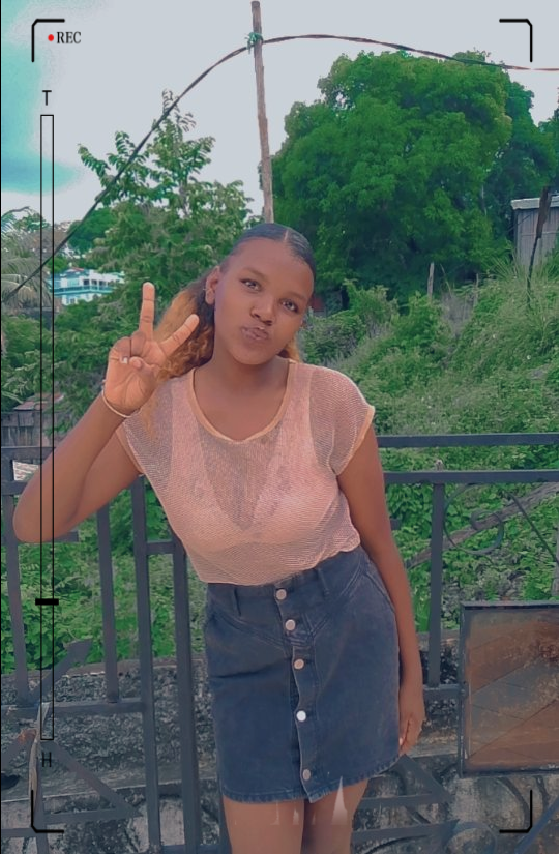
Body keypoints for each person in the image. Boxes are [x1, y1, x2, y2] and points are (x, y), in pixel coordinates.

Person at [13, 223, 425, 854]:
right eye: (252, 285)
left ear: (299, 321)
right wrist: (113, 405)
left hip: (350, 637)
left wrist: (411, 675)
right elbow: (33, 523)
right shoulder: (156, 414)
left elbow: (379, 545)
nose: (265, 311)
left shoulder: (329, 401)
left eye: (289, 303)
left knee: (329, 840)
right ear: (215, 286)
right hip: (245, 655)